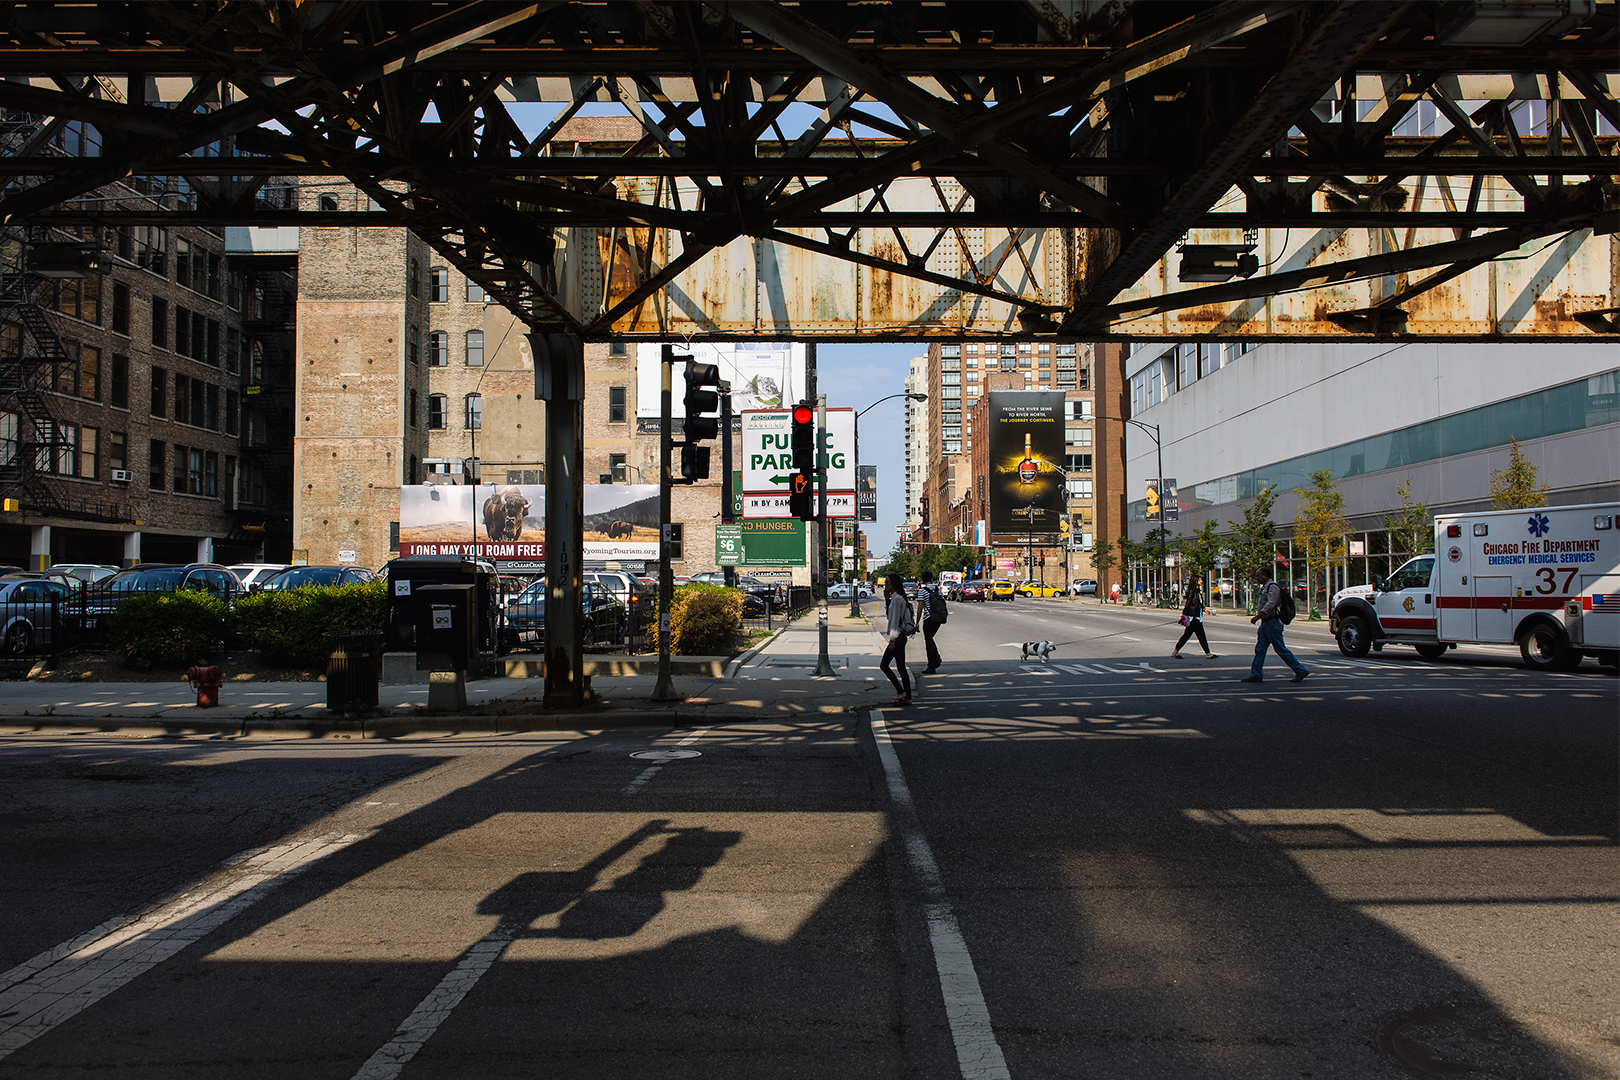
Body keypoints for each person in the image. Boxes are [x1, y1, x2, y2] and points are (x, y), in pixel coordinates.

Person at [1243, 567, 1309, 683]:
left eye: (1259, 576)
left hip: (1272, 623)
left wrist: (1258, 615)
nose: (1257, 578)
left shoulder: (1272, 587)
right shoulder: (1266, 587)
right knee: (1260, 649)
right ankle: (1256, 674)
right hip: (1266, 623)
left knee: (1280, 648)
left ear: (1265, 575)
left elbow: (1271, 603)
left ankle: (1300, 670)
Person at [880, 573, 913, 705]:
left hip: (898, 637)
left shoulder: (897, 599)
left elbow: (894, 620)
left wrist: (892, 639)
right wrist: (887, 600)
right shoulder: (895, 598)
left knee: (884, 665)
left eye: (887, 582)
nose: (885, 584)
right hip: (900, 636)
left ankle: (901, 692)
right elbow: (891, 616)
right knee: (901, 667)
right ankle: (907, 697)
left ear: (893, 584)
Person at [1171, 579, 1217, 659]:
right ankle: (1208, 653)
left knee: (1187, 635)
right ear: (1195, 581)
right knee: (1201, 635)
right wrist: (1184, 614)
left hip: (1196, 615)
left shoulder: (1197, 591)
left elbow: (1198, 603)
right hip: (1193, 616)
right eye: (1200, 580)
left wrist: (1204, 609)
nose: (1201, 581)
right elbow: (1188, 602)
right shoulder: (1192, 591)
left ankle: (1175, 651)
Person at [916, 570, 943, 674]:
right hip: (938, 618)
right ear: (932, 579)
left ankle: (932, 664)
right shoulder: (938, 589)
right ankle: (936, 659)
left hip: (928, 618)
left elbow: (920, 607)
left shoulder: (922, 591)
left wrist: (917, 622)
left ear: (922, 581)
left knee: (928, 640)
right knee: (930, 639)